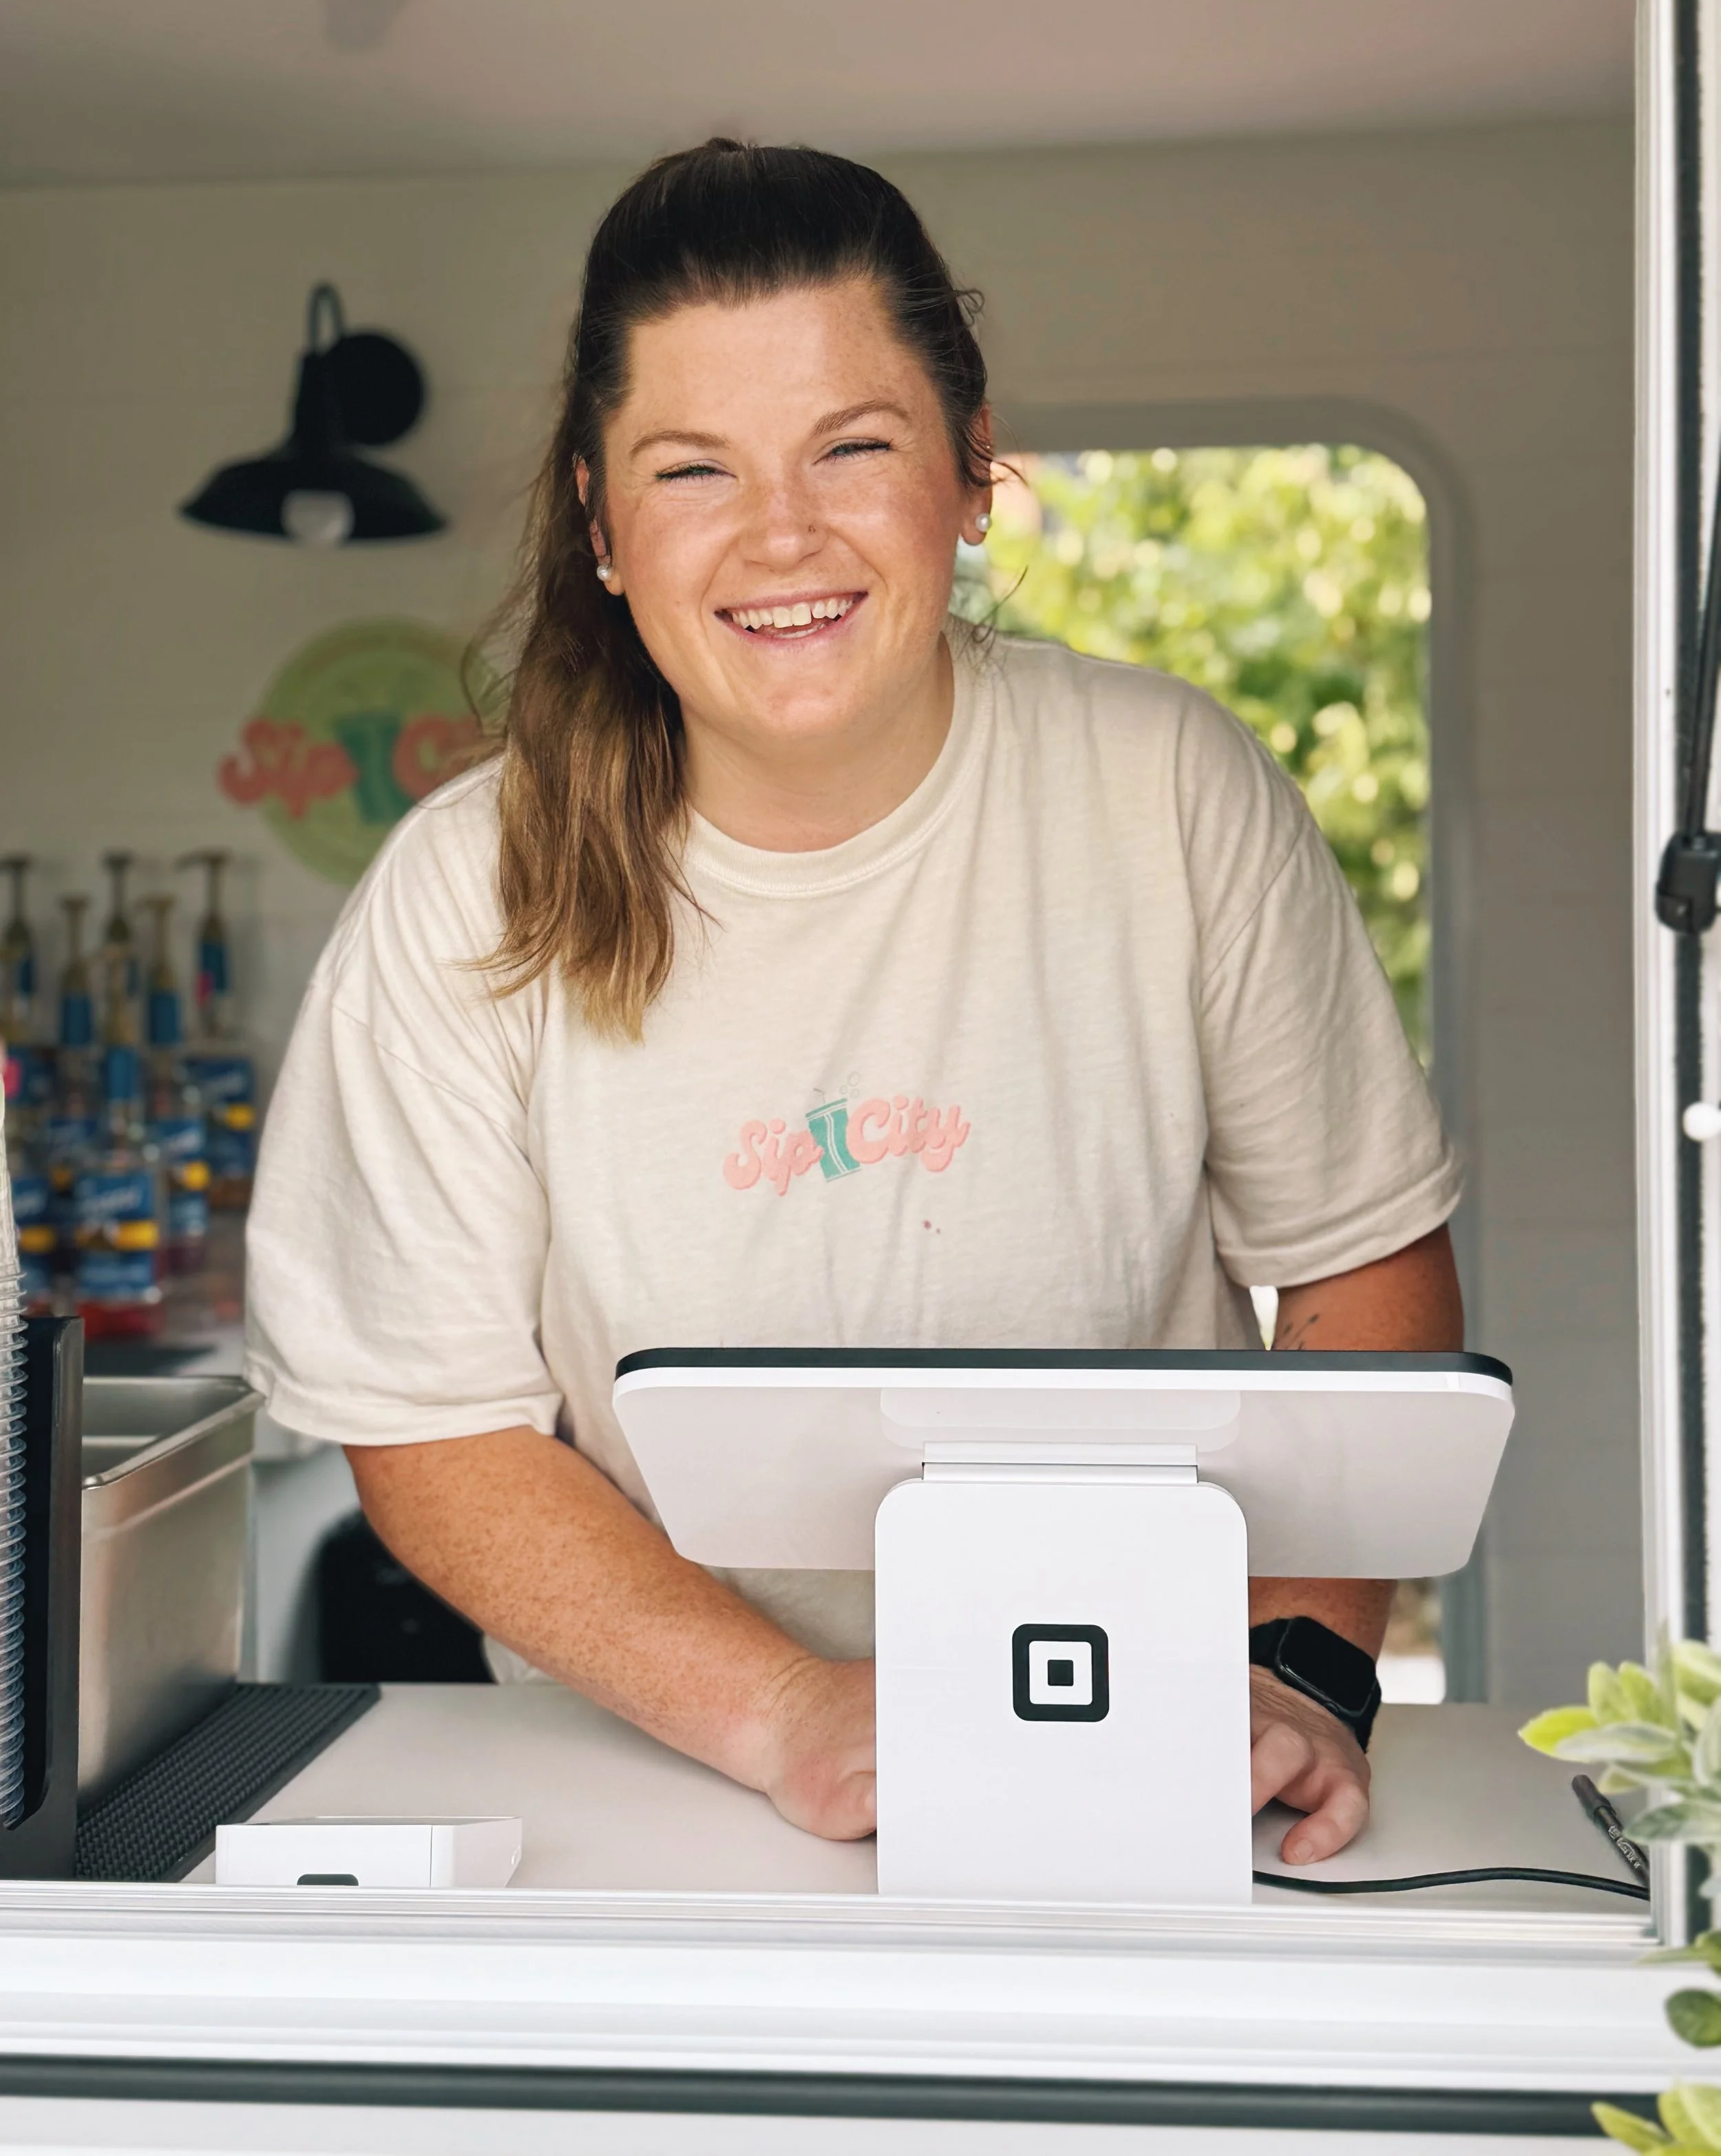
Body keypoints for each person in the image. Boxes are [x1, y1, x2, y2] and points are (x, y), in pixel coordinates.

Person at [247, 139, 1464, 1868]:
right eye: (691, 471)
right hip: (644, 1785)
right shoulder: (465, 893)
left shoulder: (1164, 789)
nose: (781, 535)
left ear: (971, 472)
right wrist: (786, 1710)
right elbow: (430, 1428)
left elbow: (1361, 1260)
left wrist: (1291, 1670)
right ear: (599, 522)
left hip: (1142, 1756)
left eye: (853, 445)